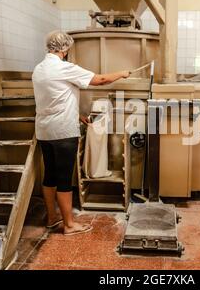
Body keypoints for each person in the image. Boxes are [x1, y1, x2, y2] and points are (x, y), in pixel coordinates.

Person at [32, 31, 130, 236]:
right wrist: (121, 73)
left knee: (49, 176)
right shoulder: (65, 68)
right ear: (64, 48)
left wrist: (77, 115)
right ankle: (69, 225)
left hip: (44, 131)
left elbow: (53, 98)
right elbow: (101, 79)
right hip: (63, 133)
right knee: (65, 179)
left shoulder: (39, 69)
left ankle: (52, 218)